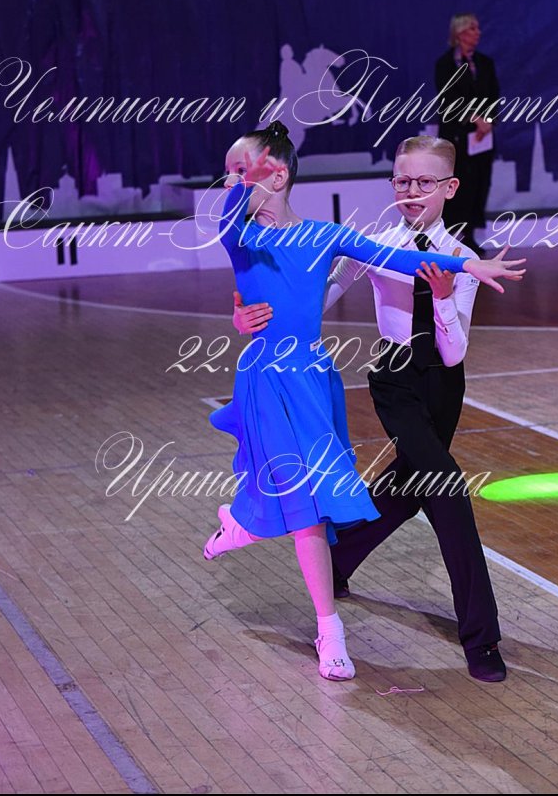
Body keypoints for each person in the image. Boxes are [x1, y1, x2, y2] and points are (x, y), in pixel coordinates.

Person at [206, 121, 525, 683]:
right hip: (390, 380)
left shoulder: (455, 254)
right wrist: (245, 314)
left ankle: (332, 559)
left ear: (450, 187)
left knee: (404, 490)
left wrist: (458, 279)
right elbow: (307, 292)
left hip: (440, 384)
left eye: (424, 182)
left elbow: (453, 352)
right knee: (445, 492)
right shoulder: (357, 243)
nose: (410, 191)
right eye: (402, 180)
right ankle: (480, 638)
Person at [435, 13, 500, 254]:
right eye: (473, 28)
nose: (478, 33)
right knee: (460, 183)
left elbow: (493, 96)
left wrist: (487, 122)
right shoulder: (445, 64)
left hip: (482, 138)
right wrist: (474, 118)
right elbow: (448, 99)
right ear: (460, 33)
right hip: (457, 136)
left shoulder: (485, 63)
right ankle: (454, 233)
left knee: (480, 183)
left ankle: (470, 233)